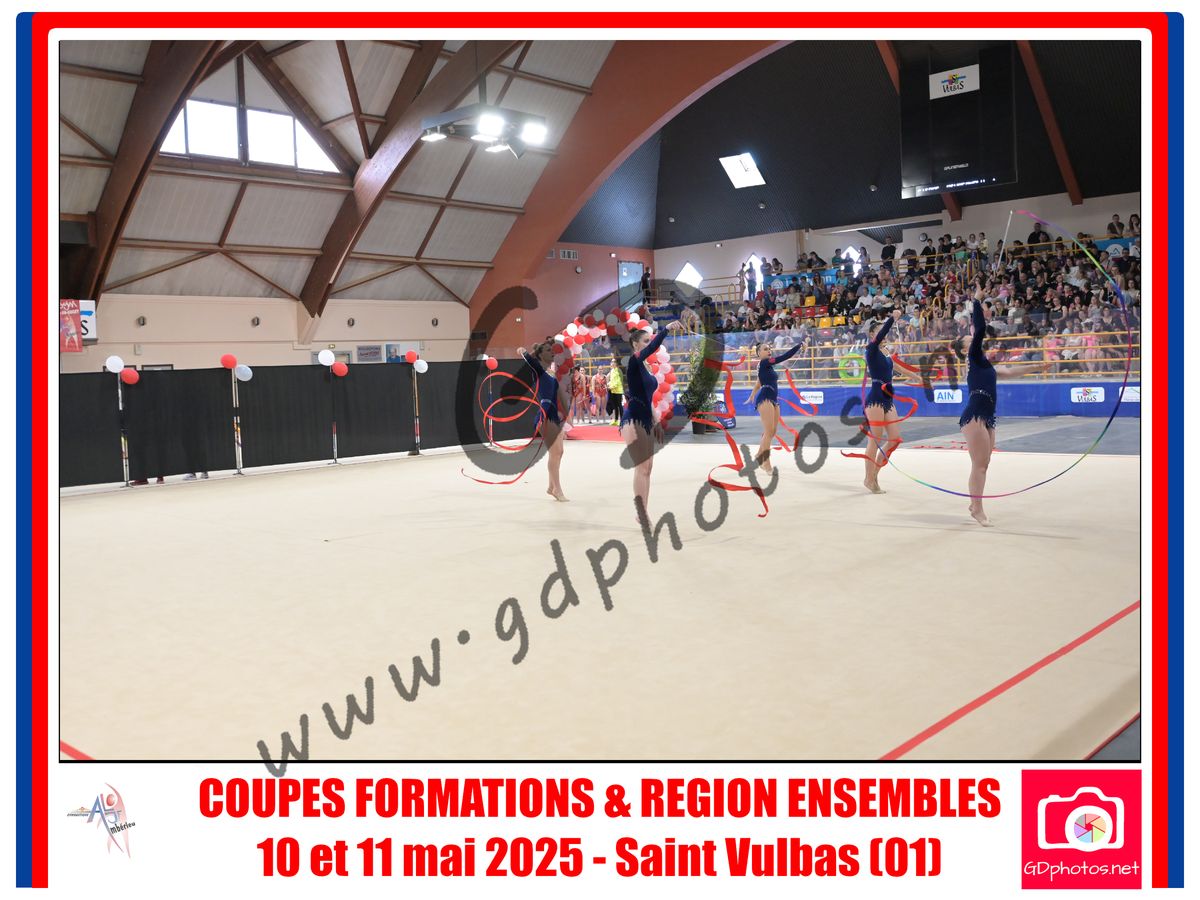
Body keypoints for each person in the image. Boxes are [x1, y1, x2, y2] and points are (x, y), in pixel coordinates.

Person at [955, 288, 1030, 526]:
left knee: (984, 464)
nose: (973, 339)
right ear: (965, 349)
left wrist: (1038, 367)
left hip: (988, 416)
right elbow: (980, 329)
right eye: (969, 340)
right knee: (979, 465)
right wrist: (976, 301)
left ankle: (974, 504)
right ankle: (977, 509)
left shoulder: (983, 364)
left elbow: (1009, 372)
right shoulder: (973, 357)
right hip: (975, 414)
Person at [622, 321, 682, 517]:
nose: (649, 344)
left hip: (646, 418)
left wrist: (656, 420)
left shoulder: (644, 366)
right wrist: (666, 330)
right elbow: (653, 348)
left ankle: (643, 511)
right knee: (641, 467)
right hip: (634, 419)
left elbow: (646, 397)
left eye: (650, 340)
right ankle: (642, 513)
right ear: (635, 344)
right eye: (646, 341)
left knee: (648, 468)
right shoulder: (634, 361)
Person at [519, 340, 570, 501]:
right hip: (545, 415)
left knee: (559, 452)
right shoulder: (538, 370)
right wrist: (523, 351)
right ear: (541, 354)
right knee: (555, 452)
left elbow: (559, 395)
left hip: (554, 415)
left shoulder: (550, 372)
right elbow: (530, 360)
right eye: (548, 350)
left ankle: (551, 486)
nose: (552, 352)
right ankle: (557, 490)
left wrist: (566, 416)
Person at [862, 307, 903, 494]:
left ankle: (874, 474)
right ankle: (869, 478)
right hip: (876, 398)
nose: (884, 335)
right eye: (880, 332)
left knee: (894, 439)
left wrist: (919, 378)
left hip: (887, 398)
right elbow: (881, 335)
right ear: (873, 335)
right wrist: (892, 320)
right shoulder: (871, 350)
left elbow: (898, 368)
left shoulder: (885, 354)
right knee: (875, 440)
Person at [750, 339, 804, 473]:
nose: (769, 351)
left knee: (772, 432)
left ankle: (759, 454)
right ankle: (766, 462)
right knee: (768, 431)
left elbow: (759, 381)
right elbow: (784, 357)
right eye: (765, 349)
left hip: (773, 399)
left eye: (769, 349)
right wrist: (798, 346)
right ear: (758, 353)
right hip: (765, 398)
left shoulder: (766, 367)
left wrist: (752, 394)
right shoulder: (764, 363)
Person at [606, 351, 625, 425]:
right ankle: (616, 420)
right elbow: (612, 381)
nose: (612, 363)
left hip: (618, 391)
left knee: (619, 405)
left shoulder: (618, 370)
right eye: (611, 362)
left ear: (616, 363)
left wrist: (611, 387)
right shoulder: (612, 371)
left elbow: (618, 382)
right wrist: (608, 385)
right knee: (615, 406)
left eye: (614, 362)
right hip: (613, 391)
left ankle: (622, 420)